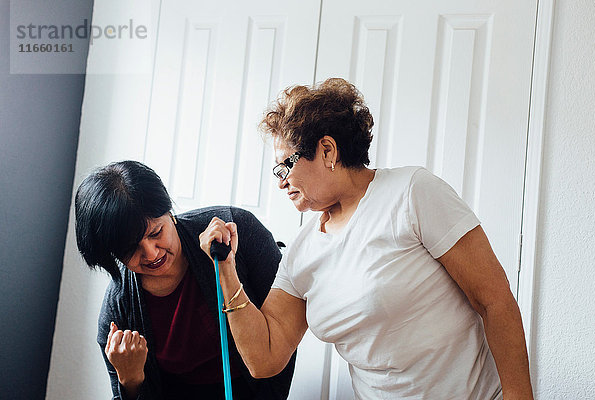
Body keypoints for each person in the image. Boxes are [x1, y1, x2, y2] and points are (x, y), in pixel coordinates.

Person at [199, 78, 534, 399]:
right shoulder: (302, 251)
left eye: (285, 165)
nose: (281, 181)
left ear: (327, 150)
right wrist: (226, 271)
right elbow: (264, 359)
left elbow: (494, 301)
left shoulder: (411, 193)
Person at [74, 160, 295, 400]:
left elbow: (281, 337)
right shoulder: (118, 314)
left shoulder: (237, 228)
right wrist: (130, 379)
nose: (151, 253)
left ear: (170, 212)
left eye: (156, 233)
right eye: (130, 250)